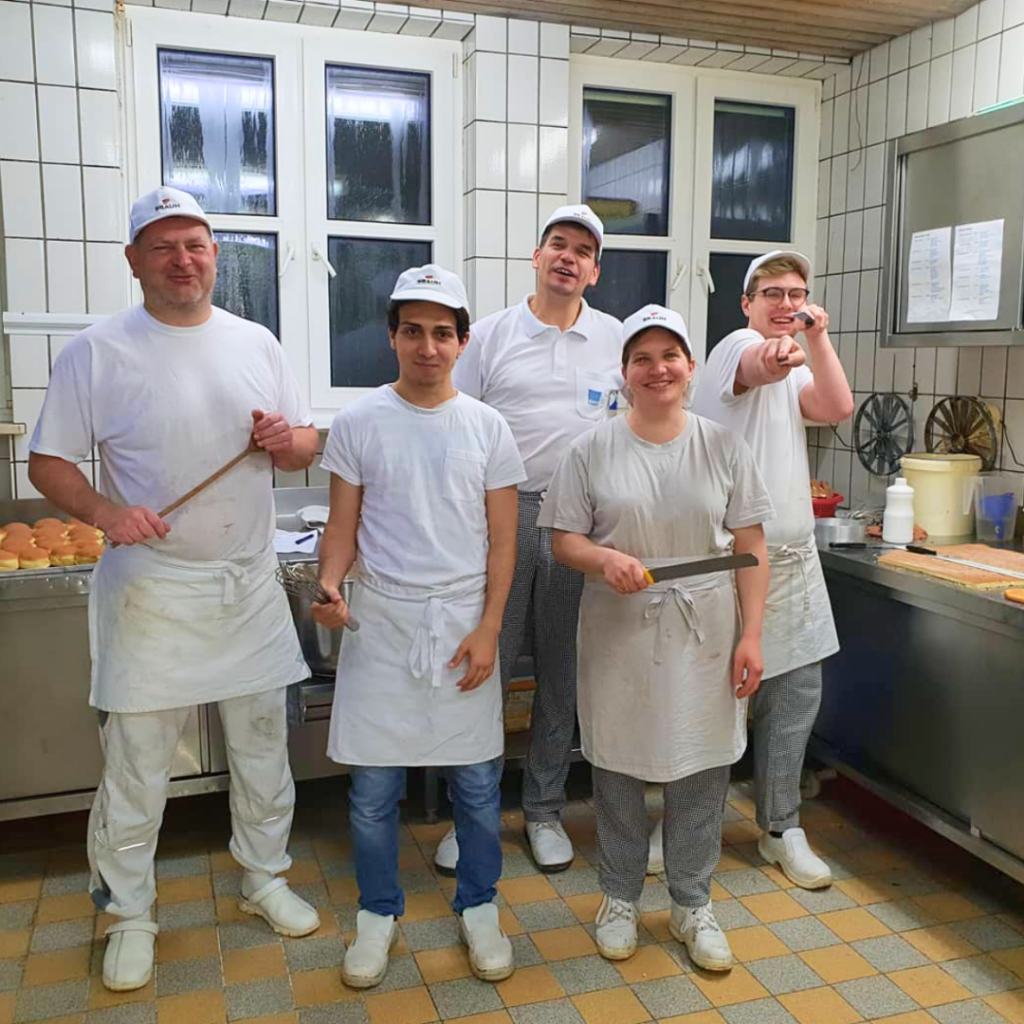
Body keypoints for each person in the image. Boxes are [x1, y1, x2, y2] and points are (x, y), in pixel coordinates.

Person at [27, 186, 321, 992]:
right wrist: (105, 511)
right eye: (163, 247)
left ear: (215, 256)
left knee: (264, 749)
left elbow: (298, 450)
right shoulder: (98, 351)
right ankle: (130, 911)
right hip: (151, 588)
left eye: (196, 244)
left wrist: (283, 440)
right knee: (138, 762)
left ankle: (264, 877)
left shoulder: (257, 341)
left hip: (247, 584)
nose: (183, 260)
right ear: (134, 261)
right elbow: (48, 462)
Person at [538, 305, 773, 968]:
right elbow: (563, 538)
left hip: (706, 625)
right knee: (616, 762)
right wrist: (601, 559)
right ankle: (619, 896)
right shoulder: (592, 448)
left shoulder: (723, 446)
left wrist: (752, 636)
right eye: (642, 358)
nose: (657, 368)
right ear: (624, 373)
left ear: (690, 368)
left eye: (670, 355)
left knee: (701, 766)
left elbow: (751, 545)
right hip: (619, 625)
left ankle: (692, 904)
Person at [313, 264, 525, 988]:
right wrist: (331, 583)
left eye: (442, 333)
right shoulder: (360, 422)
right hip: (382, 622)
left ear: (463, 343)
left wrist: (491, 627)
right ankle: (378, 913)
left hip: (463, 618)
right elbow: (342, 527)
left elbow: (504, 542)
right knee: (374, 791)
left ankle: (480, 906)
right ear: (393, 337)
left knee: (475, 784)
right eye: (413, 331)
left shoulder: (488, 428)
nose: (427, 346)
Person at [440, 204, 623, 875]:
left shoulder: (613, 340)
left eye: (582, 250)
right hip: (502, 516)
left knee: (561, 671)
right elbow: (457, 430)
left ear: (595, 271)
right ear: (537, 257)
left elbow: (630, 434)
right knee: (486, 665)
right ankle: (475, 812)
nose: (568, 258)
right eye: (558, 245)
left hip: (581, 518)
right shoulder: (489, 336)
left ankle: (543, 808)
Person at [691, 250, 854, 889]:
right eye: (772, 294)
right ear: (746, 303)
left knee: (793, 700)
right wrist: (784, 347)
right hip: (730, 565)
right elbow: (758, 364)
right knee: (712, 701)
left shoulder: (793, 365)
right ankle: (684, 822)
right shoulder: (735, 349)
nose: (786, 303)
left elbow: (837, 406)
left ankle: (780, 827)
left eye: (797, 293)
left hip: (795, 559)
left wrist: (817, 338)